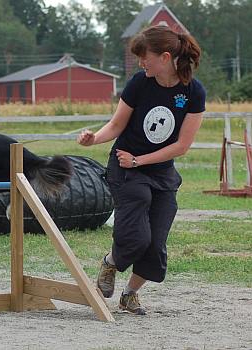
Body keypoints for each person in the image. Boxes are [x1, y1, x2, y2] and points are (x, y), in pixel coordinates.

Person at [77, 25, 205, 315]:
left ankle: (129, 294)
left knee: (155, 245)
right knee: (137, 237)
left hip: (158, 171)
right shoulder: (139, 83)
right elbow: (116, 124)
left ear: (165, 57)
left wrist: (142, 161)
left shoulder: (193, 92)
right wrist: (94, 138)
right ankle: (111, 262)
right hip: (125, 166)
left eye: (144, 56)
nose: (140, 63)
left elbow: (182, 146)